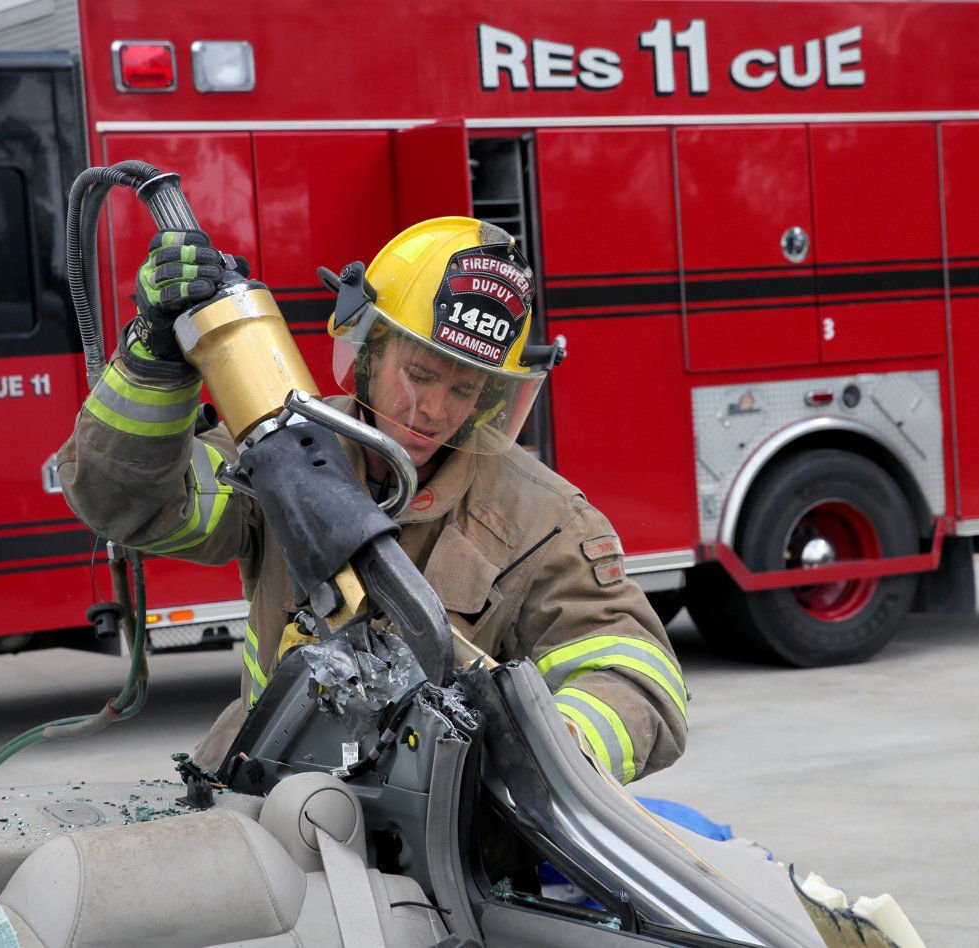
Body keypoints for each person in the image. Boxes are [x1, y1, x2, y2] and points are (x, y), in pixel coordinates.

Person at [58, 217, 687, 783]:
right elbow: (129, 504)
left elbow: (636, 675)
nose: (434, 411)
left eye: (465, 390)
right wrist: (155, 361)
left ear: (492, 399)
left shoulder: (544, 523)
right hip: (255, 789)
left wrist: (550, 751)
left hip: (434, 842)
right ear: (368, 350)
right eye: (418, 374)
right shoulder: (280, 449)